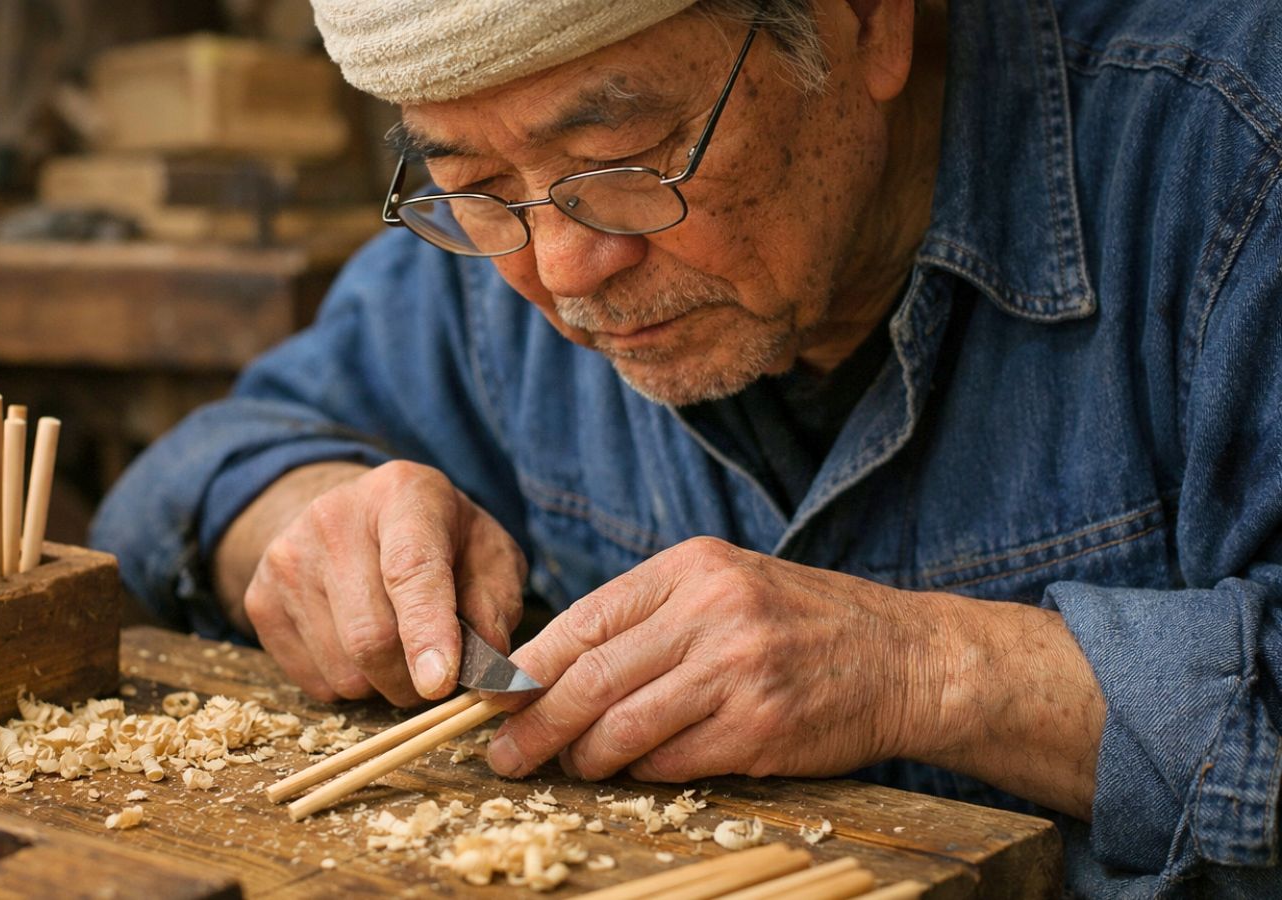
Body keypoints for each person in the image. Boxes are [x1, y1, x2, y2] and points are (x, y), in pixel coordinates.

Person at [92, 0, 1282, 892]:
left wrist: (926, 671)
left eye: (625, 162)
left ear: (863, 22)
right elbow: (204, 469)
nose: (561, 274)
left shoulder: (1233, 153)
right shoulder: (492, 244)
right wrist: (312, 511)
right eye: (472, 181)